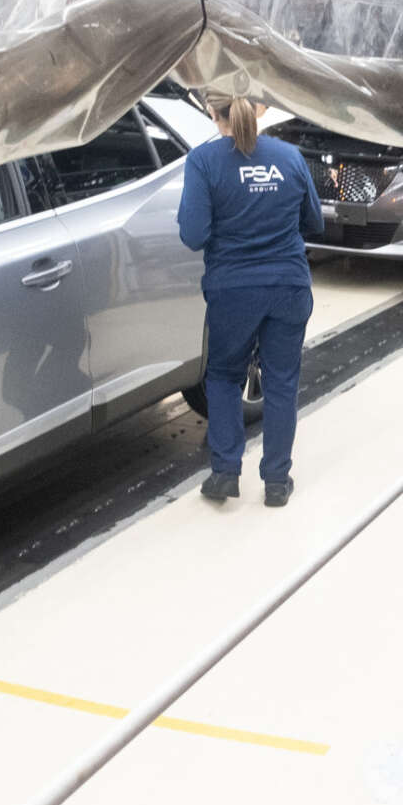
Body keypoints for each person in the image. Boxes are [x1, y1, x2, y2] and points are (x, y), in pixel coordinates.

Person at [177, 93, 321, 506]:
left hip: (232, 291)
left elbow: (193, 235)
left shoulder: (203, 162)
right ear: (259, 109)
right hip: (288, 286)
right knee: (281, 382)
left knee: (223, 376)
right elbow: (314, 221)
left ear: (211, 110)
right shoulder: (290, 157)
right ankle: (276, 482)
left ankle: (225, 473)